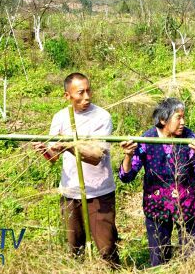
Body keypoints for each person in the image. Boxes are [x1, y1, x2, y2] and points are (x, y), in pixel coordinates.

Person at [32, 72, 119, 265]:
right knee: (74, 248)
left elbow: (96, 157)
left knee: (107, 248)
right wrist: (44, 151)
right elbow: (54, 157)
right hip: (71, 192)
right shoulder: (60, 118)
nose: (87, 97)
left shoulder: (102, 116)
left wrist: (69, 145)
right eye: (81, 92)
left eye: (89, 91)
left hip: (99, 192)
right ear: (67, 96)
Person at [119, 98, 195, 266]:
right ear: (163, 119)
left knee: (194, 257)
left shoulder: (189, 137)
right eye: (178, 117)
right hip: (158, 206)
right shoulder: (147, 140)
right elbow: (127, 176)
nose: (183, 122)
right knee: (159, 257)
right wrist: (128, 155)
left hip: (188, 204)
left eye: (184, 117)